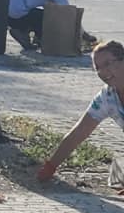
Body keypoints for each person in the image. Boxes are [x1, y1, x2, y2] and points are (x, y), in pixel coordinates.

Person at [37, 40, 124, 187]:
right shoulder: (106, 97)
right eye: (98, 68)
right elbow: (79, 132)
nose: (103, 72)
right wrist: (50, 166)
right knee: (116, 175)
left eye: (108, 64)